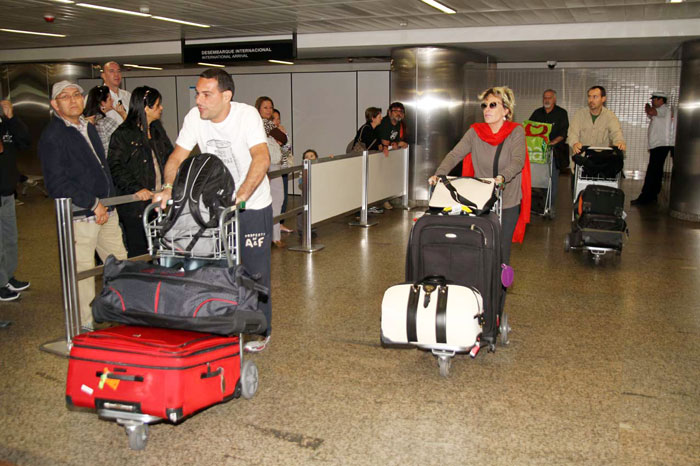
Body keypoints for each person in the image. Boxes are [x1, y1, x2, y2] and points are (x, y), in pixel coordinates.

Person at [152, 69, 272, 353]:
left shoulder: (246, 116)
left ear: (226, 96)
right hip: (214, 208)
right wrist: (168, 185)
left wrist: (241, 195)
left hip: (251, 204)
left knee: (254, 271)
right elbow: (177, 157)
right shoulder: (195, 118)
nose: (199, 101)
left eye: (206, 94)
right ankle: (222, 322)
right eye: (197, 94)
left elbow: (261, 157)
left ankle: (260, 329)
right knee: (219, 267)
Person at [38, 81, 127, 330]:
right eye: (65, 97)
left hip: (106, 209)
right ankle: (85, 326)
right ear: (55, 105)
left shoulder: (87, 127)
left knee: (119, 262)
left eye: (76, 94)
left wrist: (108, 199)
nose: (73, 100)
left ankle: (121, 311)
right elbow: (56, 183)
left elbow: (102, 166)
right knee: (83, 272)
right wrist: (92, 203)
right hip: (81, 215)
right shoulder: (53, 136)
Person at [429, 86, 531, 265]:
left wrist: (502, 177)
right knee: (478, 245)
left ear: (506, 110)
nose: (487, 110)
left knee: (501, 248)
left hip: (507, 200)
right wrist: (439, 174)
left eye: (493, 105)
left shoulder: (516, 131)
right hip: (481, 199)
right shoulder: (475, 132)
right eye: (484, 106)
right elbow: (455, 155)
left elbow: (518, 161)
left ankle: (499, 290)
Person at [108, 86, 173, 257]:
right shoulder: (123, 134)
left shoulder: (157, 130)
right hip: (135, 205)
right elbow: (115, 166)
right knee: (140, 251)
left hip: (157, 201)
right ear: (146, 108)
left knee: (160, 248)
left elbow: (170, 158)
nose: (161, 108)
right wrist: (136, 188)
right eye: (157, 105)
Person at [0, 98, 31, 303]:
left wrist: (12, 117)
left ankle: (8, 277)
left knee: (10, 239)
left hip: (7, 191)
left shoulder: (5, 122)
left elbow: (25, 142)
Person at [632, 91, 675, 206]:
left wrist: (647, 105)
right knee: (656, 171)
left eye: (654, 99)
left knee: (653, 171)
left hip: (661, 145)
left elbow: (651, 111)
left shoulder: (664, 109)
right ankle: (652, 195)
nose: (652, 101)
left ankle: (646, 197)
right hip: (658, 145)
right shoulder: (662, 110)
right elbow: (651, 114)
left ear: (661, 100)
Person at [528, 89, 569, 210]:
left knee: (552, 180)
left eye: (549, 97)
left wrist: (552, 143)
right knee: (537, 179)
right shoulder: (537, 113)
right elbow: (529, 128)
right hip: (537, 152)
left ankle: (550, 206)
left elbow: (564, 132)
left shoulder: (561, 113)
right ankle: (536, 205)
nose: (547, 100)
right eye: (545, 97)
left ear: (554, 99)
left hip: (554, 152)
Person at [255, 96, 286, 248]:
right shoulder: (264, 123)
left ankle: (273, 235)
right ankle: (272, 236)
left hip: (270, 164)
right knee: (274, 200)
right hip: (268, 166)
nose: (269, 110)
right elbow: (283, 138)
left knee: (273, 200)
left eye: (271, 107)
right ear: (258, 109)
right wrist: (279, 132)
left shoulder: (262, 124)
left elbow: (282, 140)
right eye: (265, 107)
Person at [568, 85, 626, 155]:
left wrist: (619, 142)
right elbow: (572, 133)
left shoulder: (610, 116)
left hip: (601, 159)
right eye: (589, 96)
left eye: (595, 97)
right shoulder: (579, 115)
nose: (591, 100)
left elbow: (616, 133)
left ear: (603, 99)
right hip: (582, 158)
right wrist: (575, 143)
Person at [375, 102, 408, 209]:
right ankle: (382, 199)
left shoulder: (400, 124)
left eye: (401, 111)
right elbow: (384, 142)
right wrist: (397, 144)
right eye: (396, 111)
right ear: (389, 112)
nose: (399, 114)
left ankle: (390, 196)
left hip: (388, 153)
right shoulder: (384, 123)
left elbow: (396, 141)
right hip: (376, 152)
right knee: (381, 176)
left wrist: (396, 143)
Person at [83, 85, 124, 156]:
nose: (113, 101)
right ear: (102, 103)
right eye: (110, 99)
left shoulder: (83, 120)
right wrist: (123, 114)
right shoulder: (106, 122)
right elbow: (126, 139)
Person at [272, 108, 294, 233]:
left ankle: (280, 223)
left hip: (283, 167)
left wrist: (284, 137)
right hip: (271, 168)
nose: (277, 121)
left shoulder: (282, 131)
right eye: (274, 119)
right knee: (273, 197)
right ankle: (272, 224)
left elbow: (288, 148)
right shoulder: (265, 132)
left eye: (278, 118)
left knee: (283, 197)